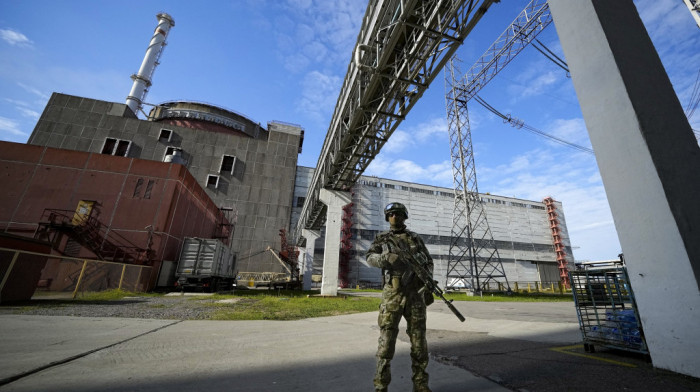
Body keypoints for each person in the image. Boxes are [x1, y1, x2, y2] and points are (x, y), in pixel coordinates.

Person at [366, 202, 434, 392]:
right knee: (386, 344)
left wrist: (428, 285)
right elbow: (369, 257)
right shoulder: (382, 238)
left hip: (415, 295)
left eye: (398, 214)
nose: (394, 217)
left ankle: (421, 385)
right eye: (391, 214)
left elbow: (428, 262)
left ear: (404, 216)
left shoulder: (415, 238)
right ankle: (381, 386)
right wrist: (384, 259)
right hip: (392, 295)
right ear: (387, 217)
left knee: (419, 343)